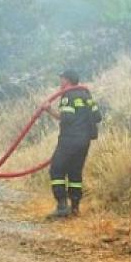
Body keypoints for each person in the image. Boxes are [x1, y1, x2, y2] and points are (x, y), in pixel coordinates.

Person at [41, 70, 101, 218]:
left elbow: (65, 118)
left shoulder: (67, 96)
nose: (60, 83)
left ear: (67, 80)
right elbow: (97, 117)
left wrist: (48, 110)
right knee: (75, 173)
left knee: (57, 170)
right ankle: (75, 209)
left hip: (69, 140)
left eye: (61, 79)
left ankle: (62, 206)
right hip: (84, 141)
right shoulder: (87, 95)